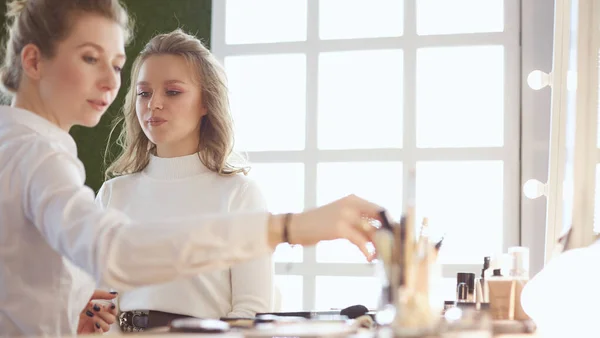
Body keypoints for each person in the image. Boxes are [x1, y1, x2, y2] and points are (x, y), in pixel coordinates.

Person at [0, 0, 380, 336]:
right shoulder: (43, 158)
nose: (110, 83)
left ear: (205, 104)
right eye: (89, 57)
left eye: (116, 65)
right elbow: (117, 252)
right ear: (33, 61)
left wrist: (71, 314)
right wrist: (288, 227)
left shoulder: (22, 149)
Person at [97, 29, 273, 331]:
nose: (153, 104)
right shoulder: (113, 194)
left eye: (173, 92)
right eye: (144, 93)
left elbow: (251, 310)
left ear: (205, 102)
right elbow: (100, 303)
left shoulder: (239, 194)